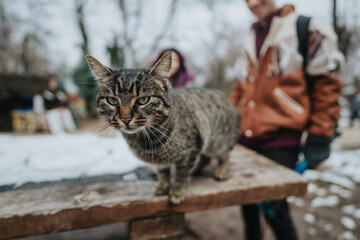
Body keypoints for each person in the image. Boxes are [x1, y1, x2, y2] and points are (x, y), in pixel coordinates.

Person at [230, 1, 343, 240]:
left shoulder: (307, 29)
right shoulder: (247, 38)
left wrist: (320, 136)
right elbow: (239, 89)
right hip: (245, 140)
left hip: (281, 140)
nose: (252, 3)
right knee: (247, 206)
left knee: (274, 209)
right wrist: (228, 125)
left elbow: (327, 86)